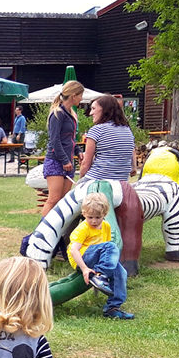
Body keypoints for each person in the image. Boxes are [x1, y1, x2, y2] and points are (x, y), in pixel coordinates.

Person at [69, 192, 133, 319]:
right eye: (90, 217)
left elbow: (106, 250)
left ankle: (112, 307)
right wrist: (84, 269)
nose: (93, 221)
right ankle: (100, 275)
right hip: (82, 259)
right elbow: (74, 250)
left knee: (121, 272)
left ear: (105, 214)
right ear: (84, 214)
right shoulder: (82, 229)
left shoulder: (106, 226)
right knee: (110, 246)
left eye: (98, 217)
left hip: (98, 260)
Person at [41, 81, 83, 218]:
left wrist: (78, 152)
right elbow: (55, 140)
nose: (81, 99)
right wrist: (65, 160)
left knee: (63, 201)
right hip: (55, 161)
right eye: (80, 96)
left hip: (68, 162)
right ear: (74, 95)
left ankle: (59, 231)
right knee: (53, 199)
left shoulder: (70, 114)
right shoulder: (57, 114)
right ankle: (41, 231)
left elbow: (69, 139)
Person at [79, 94, 137, 182]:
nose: (90, 113)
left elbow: (86, 164)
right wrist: (134, 167)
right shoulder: (127, 130)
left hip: (98, 180)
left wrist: (80, 182)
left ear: (105, 110)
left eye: (94, 109)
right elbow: (132, 151)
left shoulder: (96, 130)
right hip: (122, 182)